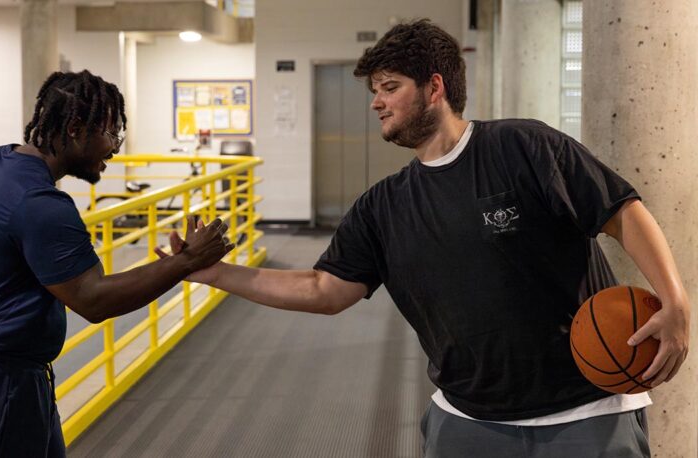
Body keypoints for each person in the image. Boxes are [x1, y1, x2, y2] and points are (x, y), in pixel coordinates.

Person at [159, 20, 689, 457]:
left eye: (390, 88)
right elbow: (323, 289)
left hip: (587, 411)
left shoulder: (523, 146)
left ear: (434, 87)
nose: (377, 103)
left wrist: (675, 300)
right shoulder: (383, 206)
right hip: (469, 419)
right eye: (374, 92)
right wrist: (215, 274)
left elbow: (621, 210)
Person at [0, 70, 234, 458]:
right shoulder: (41, 204)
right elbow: (93, 300)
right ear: (75, 128)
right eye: (111, 134)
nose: (115, 149)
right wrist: (187, 262)